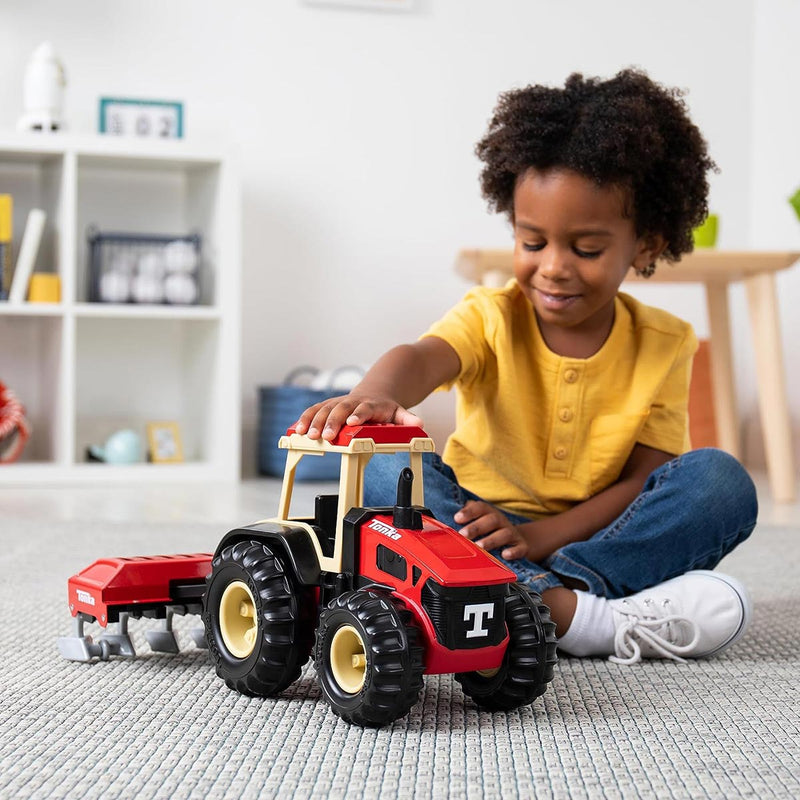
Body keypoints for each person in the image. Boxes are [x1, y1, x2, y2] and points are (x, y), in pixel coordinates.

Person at [294, 69, 758, 665]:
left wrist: (540, 539)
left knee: (721, 483)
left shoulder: (667, 341)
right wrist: (376, 395)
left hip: (593, 534)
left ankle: (543, 595)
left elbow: (644, 479)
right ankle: (580, 615)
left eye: (586, 249)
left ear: (645, 243)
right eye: (532, 242)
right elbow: (420, 357)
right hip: (468, 522)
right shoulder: (491, 315)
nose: (554, 267)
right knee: (384, 472)